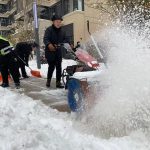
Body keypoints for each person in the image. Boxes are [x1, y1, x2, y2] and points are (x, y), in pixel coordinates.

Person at [43, 14, 68, 88]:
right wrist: (49, 44)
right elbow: (45, 39)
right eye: (57, 21)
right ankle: (48, 81)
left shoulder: (62, 31)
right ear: (53, 22)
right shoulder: (49, 30)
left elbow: (66, 39)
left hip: (58, 51)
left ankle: (58, 82)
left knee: (59, 67)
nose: (58, 23)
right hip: (50, 51)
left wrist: (69, 43)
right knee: (51, 66)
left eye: (60, 22)